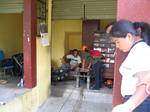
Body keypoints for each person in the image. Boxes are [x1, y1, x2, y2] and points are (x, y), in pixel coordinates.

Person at [108, 20, 150, 112]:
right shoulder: (136, 49)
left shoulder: (141, 50)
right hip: (137, 102)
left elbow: (145, 83)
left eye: (117, 42)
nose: (117, 46)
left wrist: (128, 106)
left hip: (140, 103)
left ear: (129, 36)